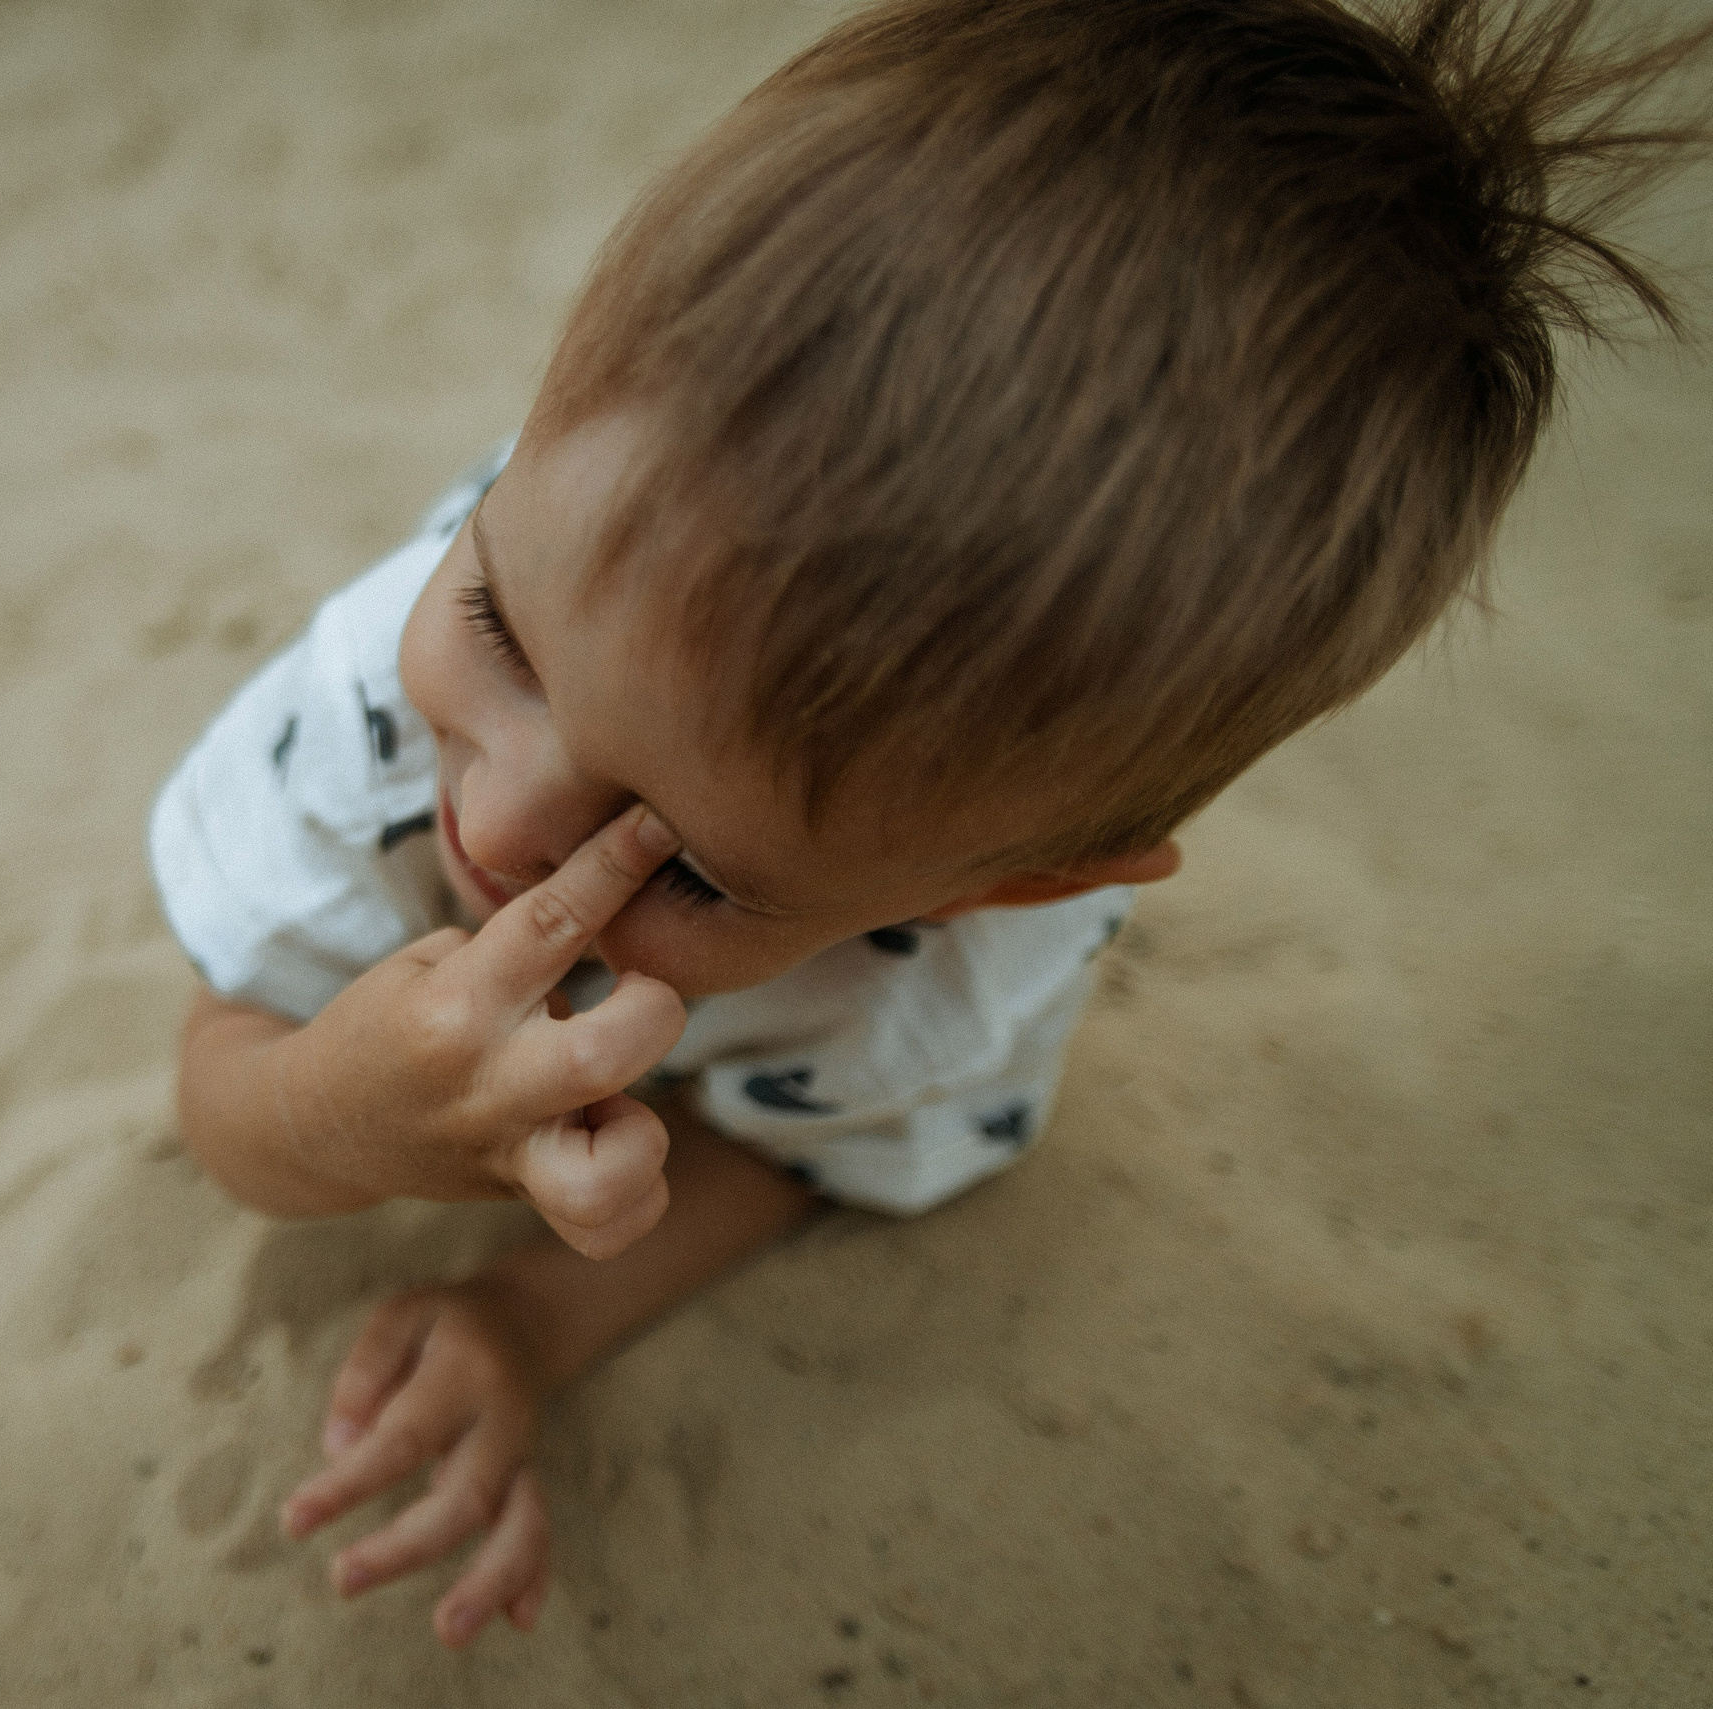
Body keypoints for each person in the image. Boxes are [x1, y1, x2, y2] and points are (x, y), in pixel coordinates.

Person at [146, 0, 1705, 1650]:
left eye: (684, 861)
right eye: (503, 633)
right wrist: (340, 1120)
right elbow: (220, 1048)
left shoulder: (954, 963)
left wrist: (529, 1316)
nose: (509, 818)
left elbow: (813, 1156)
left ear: (1006, 886)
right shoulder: (382, 704)